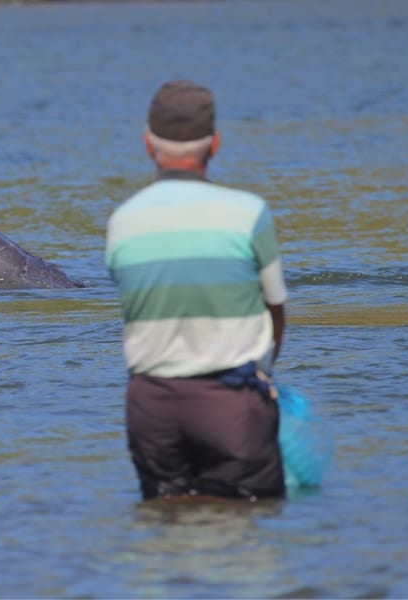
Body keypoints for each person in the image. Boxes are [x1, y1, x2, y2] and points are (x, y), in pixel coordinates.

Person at [105, 80, 289, 501]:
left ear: (148, 144)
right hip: (231, 403)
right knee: (247, 532)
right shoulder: (250, 214)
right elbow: (276, 308)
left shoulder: (122, 222)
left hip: (151, 407)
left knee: (165, 528)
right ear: (216, 144)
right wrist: (264, 370)